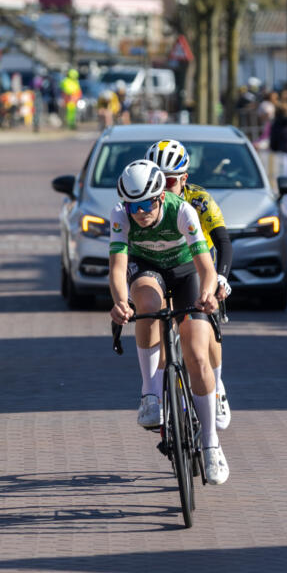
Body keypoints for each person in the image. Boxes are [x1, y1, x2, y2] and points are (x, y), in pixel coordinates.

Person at [108, 159, 228, 485]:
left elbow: (206, 266)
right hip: (146, 268)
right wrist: (120, 301)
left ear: (161, 196)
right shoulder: (122, 214)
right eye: (133, 205)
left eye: (146, 203)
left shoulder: (182, 211)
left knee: (197, 352)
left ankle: (210, 444)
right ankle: (150, 394)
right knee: (146, 304)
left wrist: (208, 294)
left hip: (185, 270)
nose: (140, 212)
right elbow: (118, 268)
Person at [145, 139, 233, 430]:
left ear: (184, 178)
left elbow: (222, 241)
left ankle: (217, 389)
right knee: (159, 321)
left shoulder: (199, 199)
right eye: (156, 178)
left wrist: (220, 277)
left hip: (198, 265)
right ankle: (157, 393)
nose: (161, 186)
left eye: (168, 181)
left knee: (205, 328)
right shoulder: (148, 202)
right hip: (164, 265)